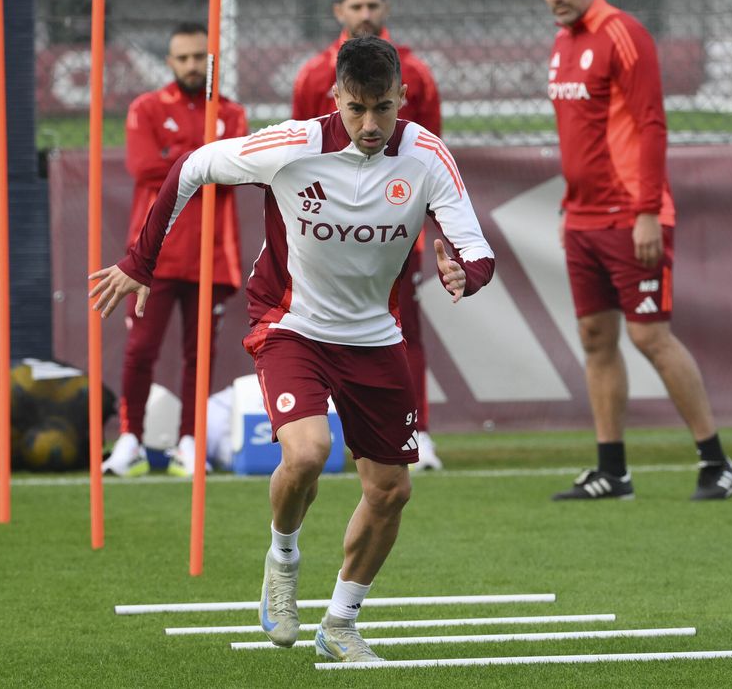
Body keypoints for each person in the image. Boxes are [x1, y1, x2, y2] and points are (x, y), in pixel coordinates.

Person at [89, 37, 495, 662]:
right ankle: (282, 559)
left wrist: (467, 272)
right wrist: (141, 262)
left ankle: (339, 623)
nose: (369, 125)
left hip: (373, 336)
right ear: (335, 97)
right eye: (357, 108)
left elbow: (477, 248)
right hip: (291, 324)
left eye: (383, 109)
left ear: (402, 100)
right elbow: (191, 167)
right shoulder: (292, 145)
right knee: (307, 453)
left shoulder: (426, 155)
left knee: (391, 491)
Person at [538, 0, 732, 501]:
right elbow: (577, 138)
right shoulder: (561, 45)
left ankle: (716, 462)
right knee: (595, 339)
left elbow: (651, 123)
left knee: (650, 336)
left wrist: (648, 210)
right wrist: (568, 206)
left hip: (632, 216)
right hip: (582, 217)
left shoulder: (623, 34)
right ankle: (612, 471)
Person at [292, 0, 444, 470]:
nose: (364, 14)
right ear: (339, 11)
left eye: (372, 5)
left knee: (405, 331)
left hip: (394, 229)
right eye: (355, 5)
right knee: (319, 330)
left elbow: (433, 155)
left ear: (386, 9)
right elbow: (294, 155)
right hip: (329, 232)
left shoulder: (416, 75)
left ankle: (415, 430)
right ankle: (322, 429)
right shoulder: (313, 76)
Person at [101, 22, 248, 478]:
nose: (190, 65)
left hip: (211, 254)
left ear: (211, 61)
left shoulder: (232, 114)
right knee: (140, 348)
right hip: (154, 254)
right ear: (169, 61)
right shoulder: (146, 107)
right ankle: (130, 439)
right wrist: (201, 157)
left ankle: (190, 440)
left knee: (198, 354)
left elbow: (232, 172)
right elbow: (145, 167)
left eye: (198, 57)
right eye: (181, 57)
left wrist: (183, 156)